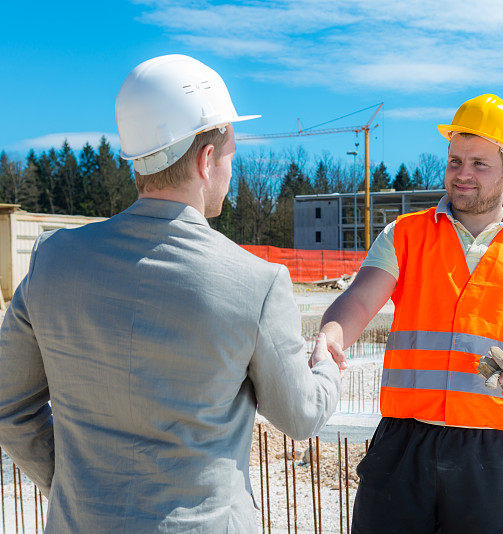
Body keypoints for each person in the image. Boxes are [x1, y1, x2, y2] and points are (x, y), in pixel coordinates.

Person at [0, 54, 340, 532]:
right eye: (230, 156)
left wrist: (72, 484)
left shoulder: (53, 259)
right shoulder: (256, 282)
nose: (230, 170)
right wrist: (326, 367)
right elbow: (301, 416)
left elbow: (8, 405)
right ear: (205, 160)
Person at [320, 94, 503, 533]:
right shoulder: (404, 235)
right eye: (455, 161)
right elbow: (357, 300)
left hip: (498, 449)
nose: (462, 174)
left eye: (479, 164)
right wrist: (332, 334)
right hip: (405, 442)